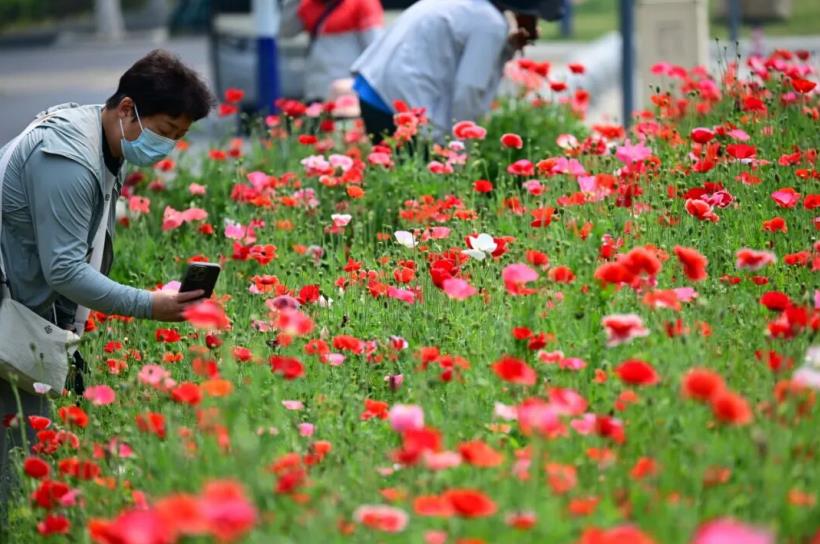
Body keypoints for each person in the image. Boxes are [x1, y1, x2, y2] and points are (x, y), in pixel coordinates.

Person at [0, 49, 214, 508]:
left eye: (178, 137)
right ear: (126, 110)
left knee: (24, 444)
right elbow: (64, 269)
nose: (167, 146)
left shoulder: (101, 138)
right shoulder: (69, 160)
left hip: (22, 303)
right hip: (9, 310)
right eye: (165, 131)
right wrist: (147, 304)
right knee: (17, 452)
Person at [351, 0, 564, 142]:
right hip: (396, 105)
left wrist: (507, 48)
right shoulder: (490, 23)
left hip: (373, 90)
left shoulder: (466, 6)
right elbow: (469, 90)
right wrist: (460, 149)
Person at [280, 0, 384, 104]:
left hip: (346, 90)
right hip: (315, 89)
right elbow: (285, 32)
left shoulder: (363, 2)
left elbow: (375, 49)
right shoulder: (307, 4)